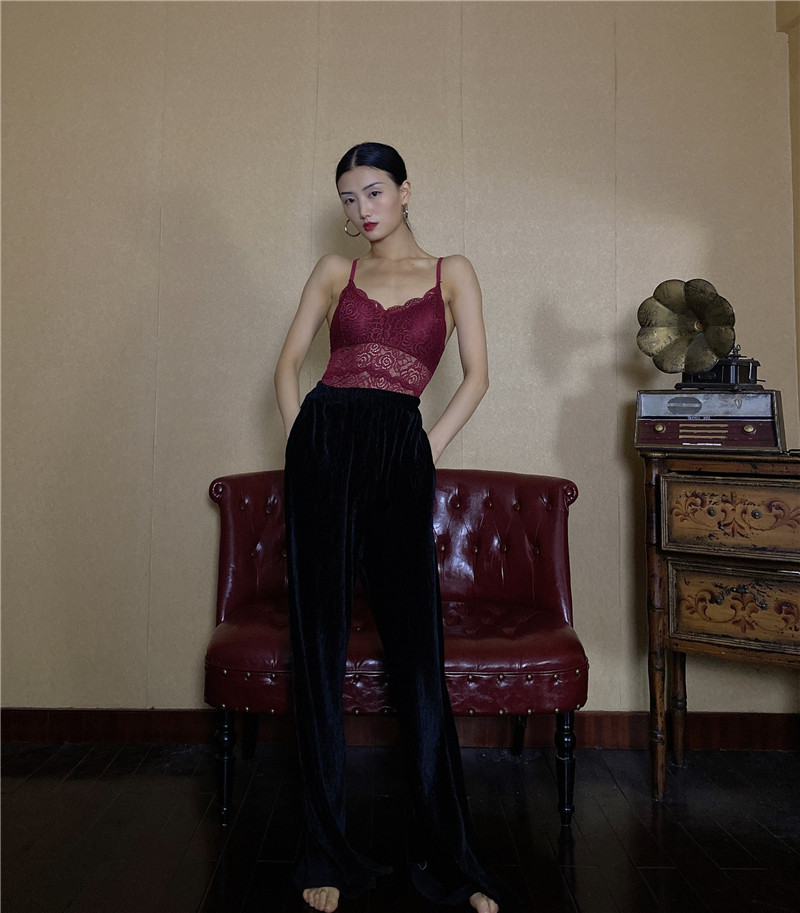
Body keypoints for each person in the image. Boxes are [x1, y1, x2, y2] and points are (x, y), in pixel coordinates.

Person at [274, 143, 506, 913]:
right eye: (348, 198)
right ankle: (325, 852)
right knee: (317, 647)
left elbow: (477, 375)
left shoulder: (453, 272)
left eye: (373, 192)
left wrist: (423, 449)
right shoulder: (334, 272)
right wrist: (303, 446)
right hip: (324, 445)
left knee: (417, 654)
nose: (361, 209)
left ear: (406, 192)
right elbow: (287, 366)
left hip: (400, 448)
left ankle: (455, 862)